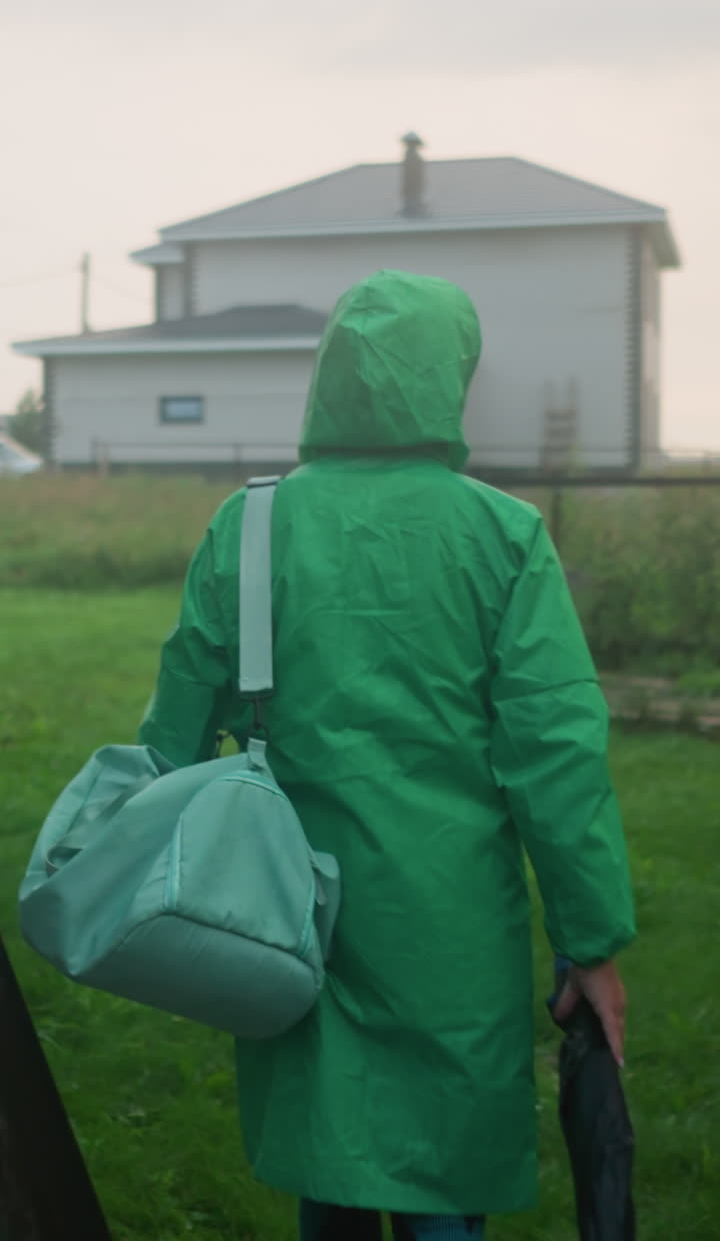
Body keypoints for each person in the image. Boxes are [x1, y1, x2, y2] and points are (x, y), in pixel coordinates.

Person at [139, 270, 635, 1241]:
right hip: (444, 920)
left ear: (333, 370)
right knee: (439, 1164)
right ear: (453, 373)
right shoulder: (502, 533)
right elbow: (557, 751)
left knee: (329, 1144)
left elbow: (176, 727)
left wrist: (136, 863)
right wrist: (590, 938)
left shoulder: (254, 522)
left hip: (283, 904)